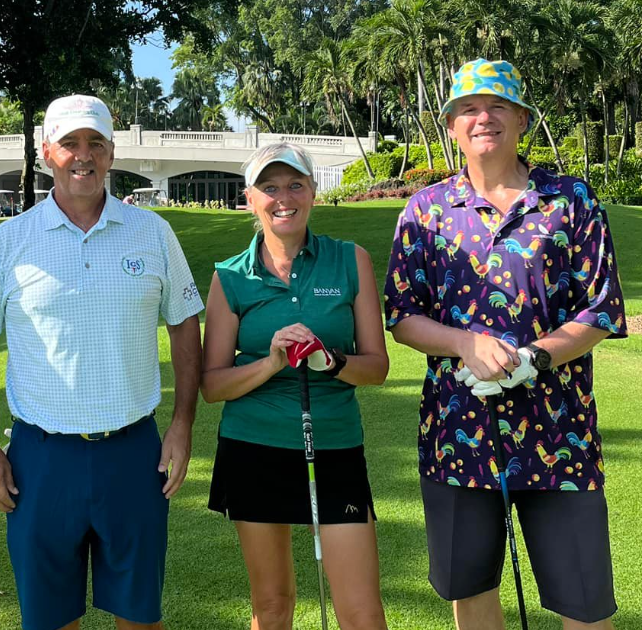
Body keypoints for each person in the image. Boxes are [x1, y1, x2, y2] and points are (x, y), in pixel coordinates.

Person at [384, 59, 626, 630]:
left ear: (521, 119)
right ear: (452, 126)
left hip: (560, 435)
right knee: (471, 595)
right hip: (457, 436)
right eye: (468, 109)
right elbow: (402, 315)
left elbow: (600, 308)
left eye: (497, 106)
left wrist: (535, 357)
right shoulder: (425, 210)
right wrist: (464, 343)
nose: (483, 118)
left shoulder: (570, 200)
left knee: (586, 605)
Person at [0, 94, 203, 630]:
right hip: (41, 459)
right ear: (47, 152)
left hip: (133, 454)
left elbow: (185, 325)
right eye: (69, 143)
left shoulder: (153, 232)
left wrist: (183, 423)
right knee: (49, 621)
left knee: (140, 619)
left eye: (95, 143)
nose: (83, 155)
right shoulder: (8, 241)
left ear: (112, 153)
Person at [201, 142, 390, 630]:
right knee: (272, 605)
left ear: (312, 192)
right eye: (269, 187)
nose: (283, 198)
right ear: (250, 199)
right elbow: (213, 385)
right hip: (253, 446)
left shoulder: (350, 260)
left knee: (362, 612)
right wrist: (271, 363)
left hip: (334, 445)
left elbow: (377, 368)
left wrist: (332, 361)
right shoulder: (230, 277)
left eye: (295, 185)